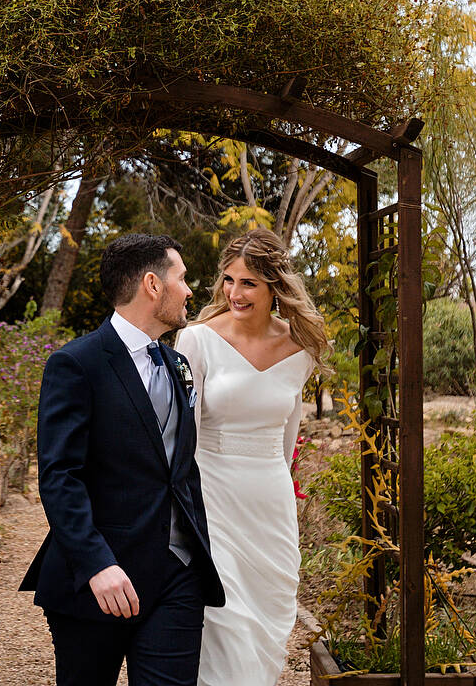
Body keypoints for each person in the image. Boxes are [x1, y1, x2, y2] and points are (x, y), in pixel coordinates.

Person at [21, 233, 226, 686]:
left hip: (178, 576)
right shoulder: (76, 364)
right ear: (153, 285)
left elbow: (180, 469)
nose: (191, 290)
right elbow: (60, 477)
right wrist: (96, 564)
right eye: (183, 278)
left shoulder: (177, 364)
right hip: (101, 579)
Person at [171, 228, 328, 686]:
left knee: (269, 619)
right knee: (225, 623)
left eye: (248, 283)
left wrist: (279, 489)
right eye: (229, 280)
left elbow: (287, 439)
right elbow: (185, 434)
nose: (234, 293)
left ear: (274, 286)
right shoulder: (197, 340)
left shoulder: (302, 349)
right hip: (213, 496)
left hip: (270, 503)